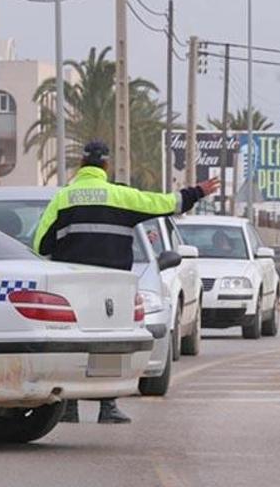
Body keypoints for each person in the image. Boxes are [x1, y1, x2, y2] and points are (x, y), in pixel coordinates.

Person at [34, 139, 219, 424]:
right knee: (111, 346)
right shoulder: (121, 196)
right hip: (113, 288)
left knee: (74, 344)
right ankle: (107, 407)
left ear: (82, 164)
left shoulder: (63, 197)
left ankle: (69, 408)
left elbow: (39, 245)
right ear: (106, 166)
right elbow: (166, 203)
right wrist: (198, 192)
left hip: (72, 288)